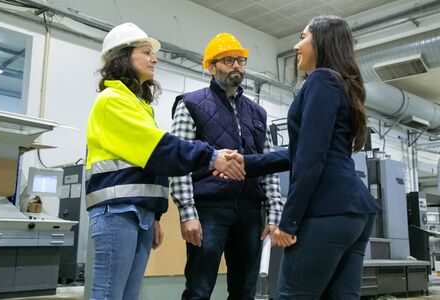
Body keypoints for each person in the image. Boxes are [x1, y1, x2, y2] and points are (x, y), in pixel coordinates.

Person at [85, 23, 245, 300]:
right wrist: (211, 156)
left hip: (138, 213)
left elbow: (152, 166)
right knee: (110, 295)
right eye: (146, 52)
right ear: (122, 57)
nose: (154, 58)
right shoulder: (112, 101)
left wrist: (156, 214)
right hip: (117, 212)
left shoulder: (138, 105)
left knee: (128, 295)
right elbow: (159, 150)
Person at [234, 15, 382, 299]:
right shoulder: (341, 85)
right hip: (355, 215)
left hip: (327, 211)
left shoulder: (322, 80)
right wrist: (246, 163)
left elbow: (311, 158)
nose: (295, 46)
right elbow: (303, 151)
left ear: (322, 41)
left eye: (303, 37)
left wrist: (288, 222)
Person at [170, 33, 284, 300]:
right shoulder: (191, 104)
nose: (237, 66)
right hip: (209, 210)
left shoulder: (258, 113)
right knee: (199, 288)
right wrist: (187, 211)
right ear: (211, 67)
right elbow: (179, 159)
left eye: (241, 60)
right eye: (228, 60)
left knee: (245, 290)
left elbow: (267, 163)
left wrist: (275, 208)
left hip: (249, 212)